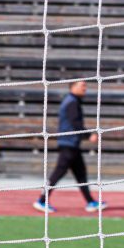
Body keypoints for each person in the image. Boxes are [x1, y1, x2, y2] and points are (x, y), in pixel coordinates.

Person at [34, 81, 104, 214]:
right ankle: (41, 201)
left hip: (72, 144)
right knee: (58, 173)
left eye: (85, 85)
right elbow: (75, 124)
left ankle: (90, 202)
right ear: (72, 87)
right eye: (82, 86)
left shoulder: (73, 101)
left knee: (80, 174)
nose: (85, 88)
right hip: (68, 144)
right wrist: (89, 135)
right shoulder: (72, 102)